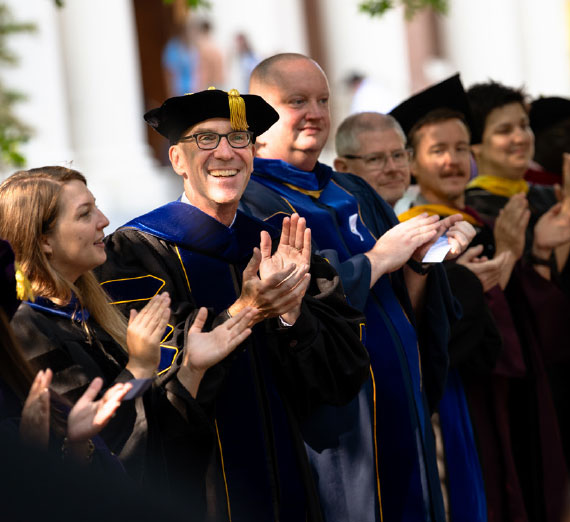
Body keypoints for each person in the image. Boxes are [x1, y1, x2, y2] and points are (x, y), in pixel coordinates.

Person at [96, 87, 371, 522]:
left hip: (293, 484)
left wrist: (291, 312)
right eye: (206, 139)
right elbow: (155, 379)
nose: (225, 152)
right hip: (198, 492)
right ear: (177, 161)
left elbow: (340, 380)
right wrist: (244, 309)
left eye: (239, 138)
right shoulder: (135, 253)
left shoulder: (281, 245)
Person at [240, 52, 475, 522]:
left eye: (322, 100)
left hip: (401, 397)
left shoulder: (352, 190)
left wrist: (430, 257)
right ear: (256, 116)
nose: (315, 113)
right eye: (296, 101)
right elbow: (289, 303)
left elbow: (408, 291)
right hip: (336, 416)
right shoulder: (251, 201)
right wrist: (377, 260)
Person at [0, 166, 256, 519]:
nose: (104, 221)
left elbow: (161, 438)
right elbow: (101, 451)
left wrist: (192, 370)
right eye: (85, 214)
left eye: (97, 208)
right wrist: (137, 367)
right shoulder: (27, 331)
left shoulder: (90, 310)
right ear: (44, 240)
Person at [334, 103, 493, 522]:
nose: (391, 168)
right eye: (375, 159)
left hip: (429, 384)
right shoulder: (342, 232)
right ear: (342, 166)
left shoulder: (422, 223)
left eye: (397, 155)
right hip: (366, 402)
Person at [464, 80, 570, 522]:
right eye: (504, 130)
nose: (520, 137)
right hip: (528, 370)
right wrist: (538, 251)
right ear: (478, 146)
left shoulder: (547, 195)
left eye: (523, 125)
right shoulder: (472, 211)